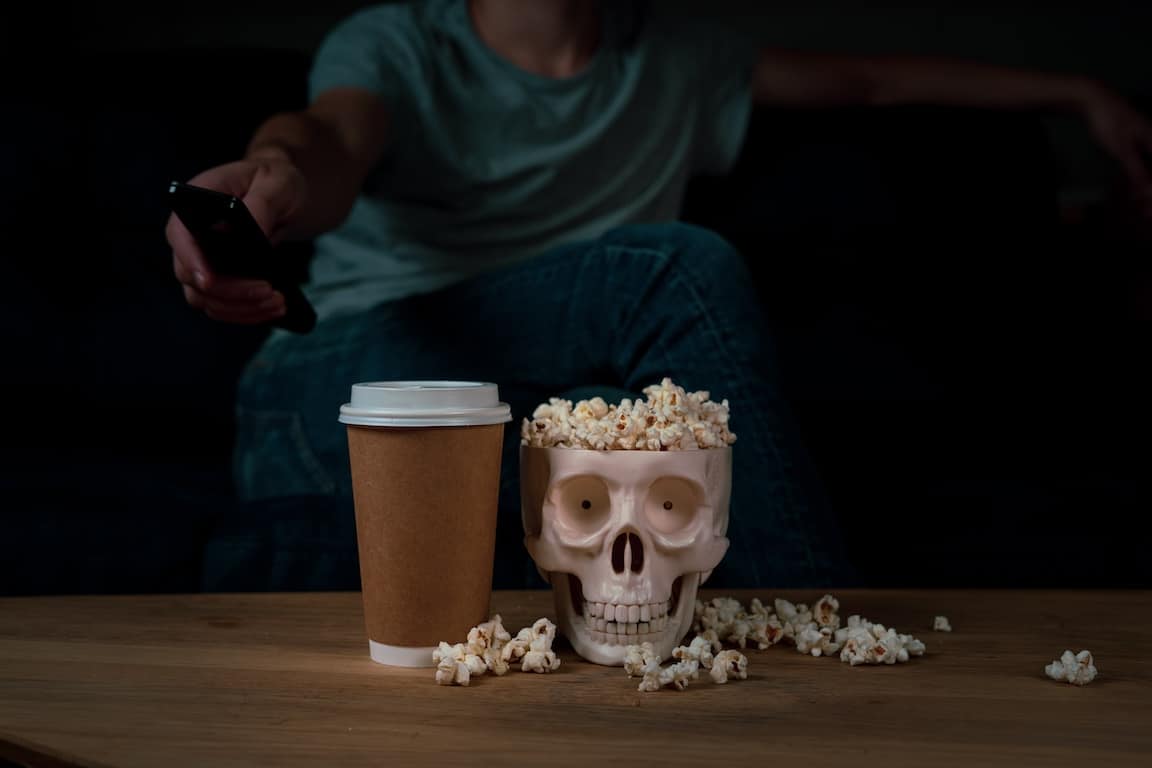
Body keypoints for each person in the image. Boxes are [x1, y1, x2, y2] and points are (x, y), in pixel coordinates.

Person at [168, 0, 1152, 590]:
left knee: (623, 455)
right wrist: (274, 171)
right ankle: (827, 636)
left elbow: (870, 83)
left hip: (545, 416)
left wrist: (1077, 94)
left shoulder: (678, 59)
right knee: (675, 266)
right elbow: (329, 138)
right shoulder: (397, 43)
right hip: (351, 390)